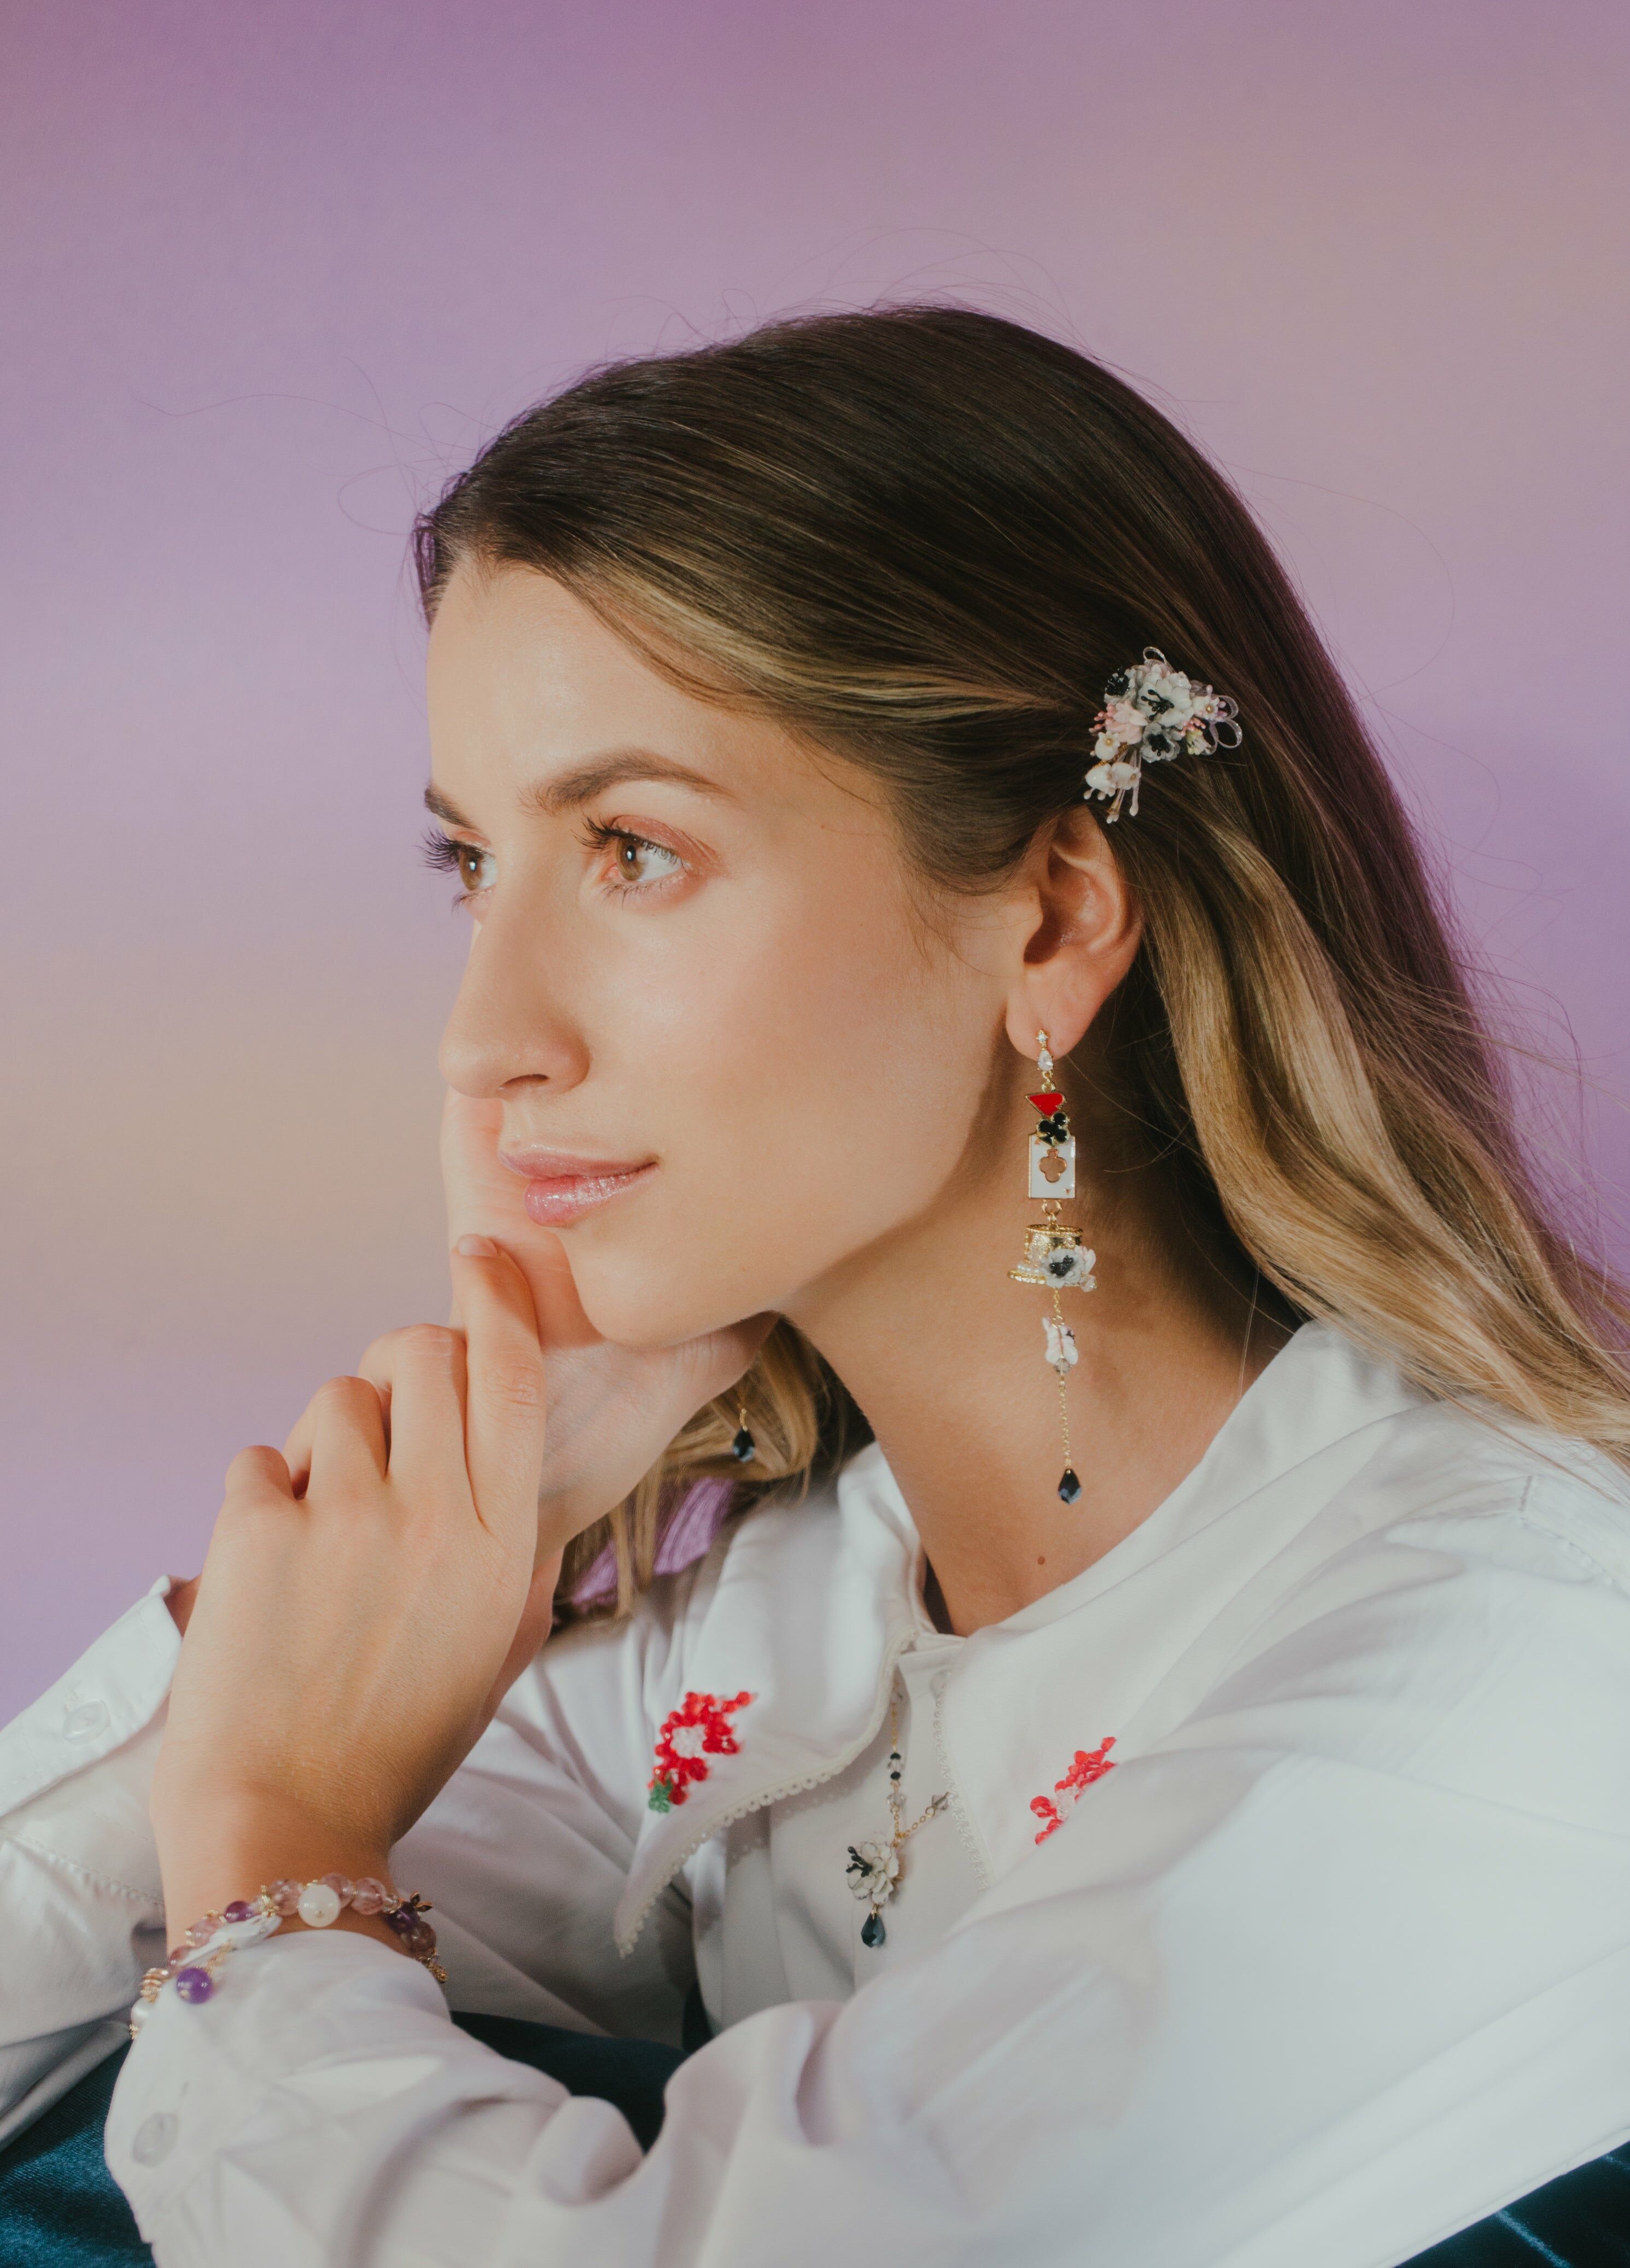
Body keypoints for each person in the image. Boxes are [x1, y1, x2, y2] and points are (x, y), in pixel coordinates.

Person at [3, 304, 1629, 2268]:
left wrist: (278, 1855)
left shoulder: (1533, 1640)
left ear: (1052, 916)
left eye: (634, 851)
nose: (483, 1035)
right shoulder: (751, 1628)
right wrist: (406, 1557)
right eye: (472, 867)